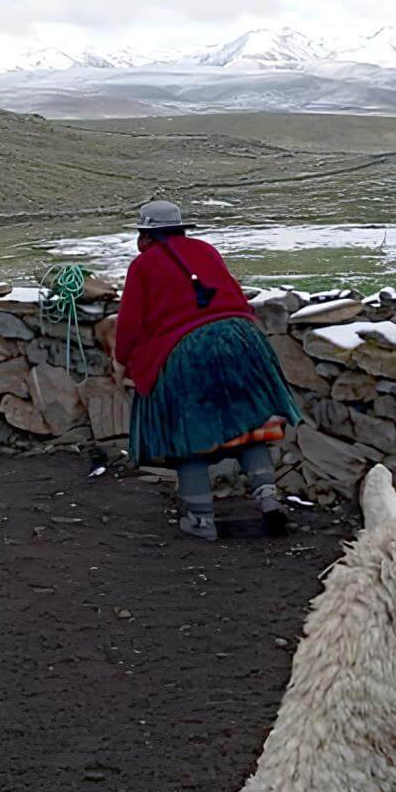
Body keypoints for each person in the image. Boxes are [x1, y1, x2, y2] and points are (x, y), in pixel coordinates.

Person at [110, 200, 304, 541]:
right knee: (249, 423)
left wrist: (121, 360)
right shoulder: (205, 250)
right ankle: (268, 497)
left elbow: (129, 325)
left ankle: (201, 520)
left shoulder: (143, 265)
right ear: (181, 229)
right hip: (241, 339)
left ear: (146, 236)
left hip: (185, 350)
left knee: (187, 435)